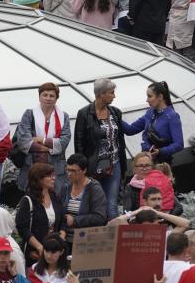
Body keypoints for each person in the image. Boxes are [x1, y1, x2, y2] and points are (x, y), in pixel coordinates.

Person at [74, 79, 126, 219]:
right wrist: (81, 168)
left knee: (111, 205)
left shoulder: (115, 112)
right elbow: (79, 142)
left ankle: (114, 237)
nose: (114, 96)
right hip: (93, 166)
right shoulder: (84, 113)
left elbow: (120, 138)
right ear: (101, 94)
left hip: (114, 163)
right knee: (94, 204)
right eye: (111, 93)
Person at [13, 82, 72, 197]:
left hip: (56, 167)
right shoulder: (29, 114)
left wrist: (41, 140)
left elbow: (64, 142)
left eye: (52, 95)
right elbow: (24, 141)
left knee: (55, 199)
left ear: (56, 98)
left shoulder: (64, 116)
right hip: (32, 166)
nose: (48, 98)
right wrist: (50, 147)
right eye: (45, 95)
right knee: (32, 199)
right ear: (39, 97)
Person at [121, 82, 184, 164]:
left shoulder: (172, 116)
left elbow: (179, 144)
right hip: (146, 162)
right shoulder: (150, 113)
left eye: (150, 96)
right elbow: (131, 130)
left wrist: (160, 151)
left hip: (162, 165)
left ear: (160, 97)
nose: (147, 100)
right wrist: (115, 116)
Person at [16, 163, 66, 263]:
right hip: (34, 253)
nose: (54, 178)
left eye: (53, 175)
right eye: (49, 176)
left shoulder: (55, 197)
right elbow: (22, 229)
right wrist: (40, 248)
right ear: (39, 179)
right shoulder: (27, 200)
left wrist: (60, 240)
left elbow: (62, 222)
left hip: (55, 252)